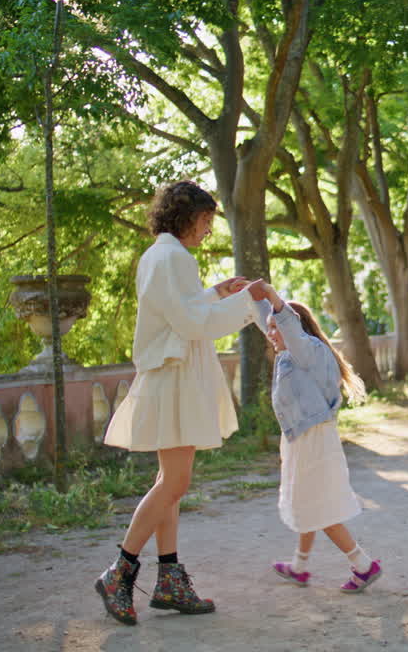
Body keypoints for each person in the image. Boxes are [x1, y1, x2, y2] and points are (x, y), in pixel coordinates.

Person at [95, 180, 262, 625]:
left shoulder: (163, 256)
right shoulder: (172, 257)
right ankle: (120, 573)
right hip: (173, 378)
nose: (208, 231)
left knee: (171, 480)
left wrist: (217, 293)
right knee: (174, 483)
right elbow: (190, 324)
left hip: (174, 376)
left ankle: (168, 579)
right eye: (206, 221)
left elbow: (183, 311)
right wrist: (249, 303)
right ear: (186, 216)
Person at [253, 281, 382, 593]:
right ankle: (299, 567)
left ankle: (363, 565)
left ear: (294, 326)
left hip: (313, 440)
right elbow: (269, 322)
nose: (270, 334)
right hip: (303, 438)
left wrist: (271, 294)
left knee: (320, 508)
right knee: (305, 503)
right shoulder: (295, 351)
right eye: (269, 328)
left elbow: (286, 327)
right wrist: (249, 298)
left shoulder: (306, 350)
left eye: (275, 327)